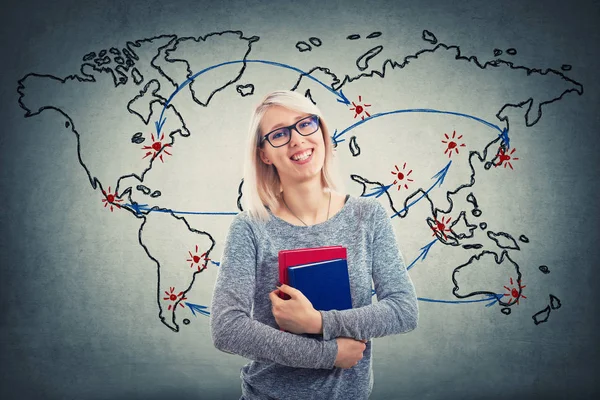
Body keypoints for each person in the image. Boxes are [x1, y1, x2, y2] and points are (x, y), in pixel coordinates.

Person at [210, 90, 418, 400]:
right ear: (264, 154)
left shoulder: (368, 216)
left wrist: (318, 322)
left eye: (304, 124)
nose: (296, 140)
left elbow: (403, 309)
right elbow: (227, 328)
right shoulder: (251, 227)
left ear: (321, 131)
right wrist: (329, 354)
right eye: (279, 134)